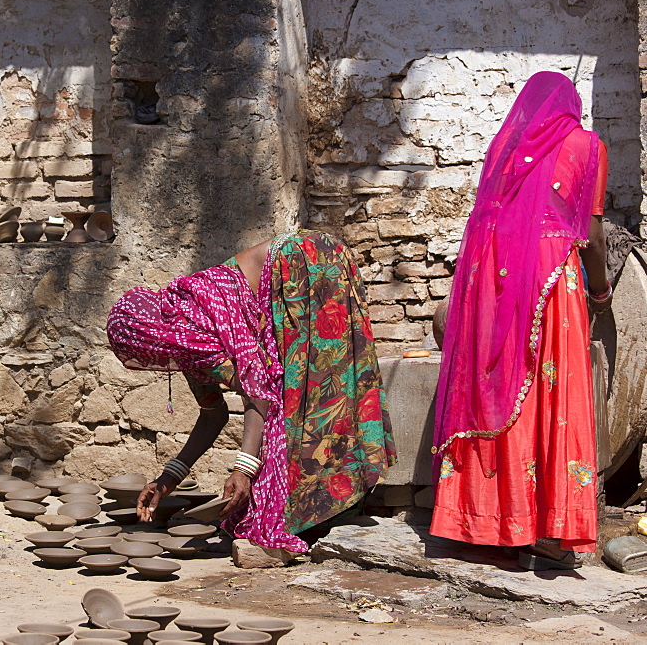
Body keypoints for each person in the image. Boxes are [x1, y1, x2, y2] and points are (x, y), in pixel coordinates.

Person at [107, 230, 396, 552]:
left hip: (302, 262)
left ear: (152, 335)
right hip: (315, 256)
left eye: (148, 351)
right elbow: (212, 415)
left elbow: (257, 392)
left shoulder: (193, 326)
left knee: (317, 393)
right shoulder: (188, 342)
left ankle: (330, 505)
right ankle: (327, 506)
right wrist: (167, 480)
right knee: (315, 393)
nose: (157, 360)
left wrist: (243, 469)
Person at [429, 72, 611, 570]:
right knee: (553, 393)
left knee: (498, 386)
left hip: (497, 274)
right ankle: (551, 524)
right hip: (552, 278)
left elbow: (491, 217)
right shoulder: (588, 146)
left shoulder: (509, 147)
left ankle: (486, 519)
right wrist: (601, 290)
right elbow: (592, 235)